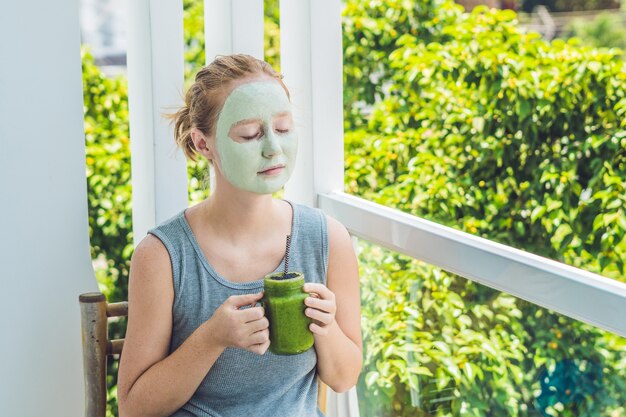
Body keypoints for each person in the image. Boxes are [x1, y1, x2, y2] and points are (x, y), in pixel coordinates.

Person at [117, 54, 362, 417]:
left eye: (282, 128)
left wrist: (325, 328)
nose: (273, 149)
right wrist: (211, 338)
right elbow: (134, 409)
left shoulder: (328, 239)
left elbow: (343, 379)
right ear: (203, 145)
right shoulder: (162, 255)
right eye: (249, 134)